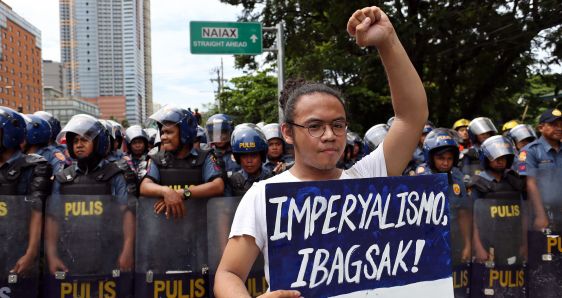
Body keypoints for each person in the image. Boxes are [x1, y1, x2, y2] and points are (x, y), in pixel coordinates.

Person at [214, 6, 428, 297]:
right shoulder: (263, 196)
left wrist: (387, 40)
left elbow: (412, 116)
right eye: (314, 126)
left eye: (338, 124)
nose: (329, 136)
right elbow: (228, 274)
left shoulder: (367, 178)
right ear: (288, 132)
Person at [45, 114, 136, 274]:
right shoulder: (63, 178)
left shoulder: (115, 174)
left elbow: (127, 214)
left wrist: (127, 251)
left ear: (98, 142)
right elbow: (53, 218)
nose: (79, 145)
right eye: (75, 141)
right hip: (70, 255)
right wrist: (52, 256)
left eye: (85, 139)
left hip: (109, 254)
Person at [139, 106, 224, 219]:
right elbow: (144, 187)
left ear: (185, 133)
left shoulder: (204, 157)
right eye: (163, 132)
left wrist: (183, 193)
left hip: (198, 226)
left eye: (169, 132)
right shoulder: (157, 158)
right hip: (165, 228)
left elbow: (218, 186)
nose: (163, 137)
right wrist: (166, 192)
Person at [0, 107, 52, 276]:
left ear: (9, 133)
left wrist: (31, 253)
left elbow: (37, 211)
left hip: (18, 248)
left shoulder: (35, 166)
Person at [416, 129, 471, 263]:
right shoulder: (419, 179)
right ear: (430, 157)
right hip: (426, 245)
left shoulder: (457, 179)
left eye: (449, 159)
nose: (445, 163)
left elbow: (463, 215)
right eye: (441, 158)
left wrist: (467, 244)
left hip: (453, 242)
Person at [519, 108, 562, 231]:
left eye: (561, 125)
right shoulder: (529, 151)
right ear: (540, 128)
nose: (559, 128)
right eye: (554, 125)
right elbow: (530, 184)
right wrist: (540, 214)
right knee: (543, 249)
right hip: (541, 210)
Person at [228, 126, 273, 196]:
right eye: (244, 156)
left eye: (254, 155)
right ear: (238, 158)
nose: (249, 161)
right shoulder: (233, 180)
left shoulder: (271, 179)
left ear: (262, 156)